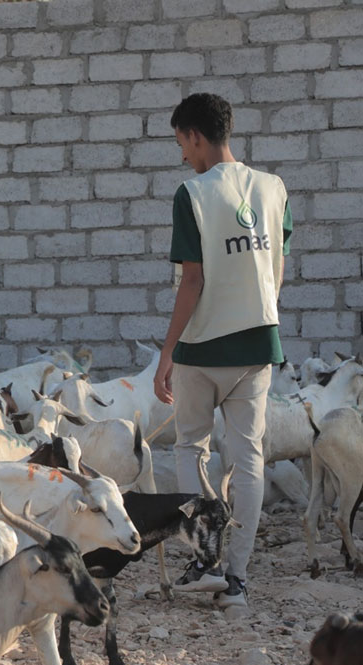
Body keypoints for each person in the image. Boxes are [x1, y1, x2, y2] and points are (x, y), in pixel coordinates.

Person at [153, 93, 292, 615]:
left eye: (181, 144)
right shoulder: (273, 188)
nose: (183, 156)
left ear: (194, 136)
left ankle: (204, 563)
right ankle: (237, 580)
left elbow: (192, 280)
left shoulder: (192, 193)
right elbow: (277, 265)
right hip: (258, 343)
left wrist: (167, 351)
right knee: (248, 458)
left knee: (190, 447)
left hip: (201, 347)